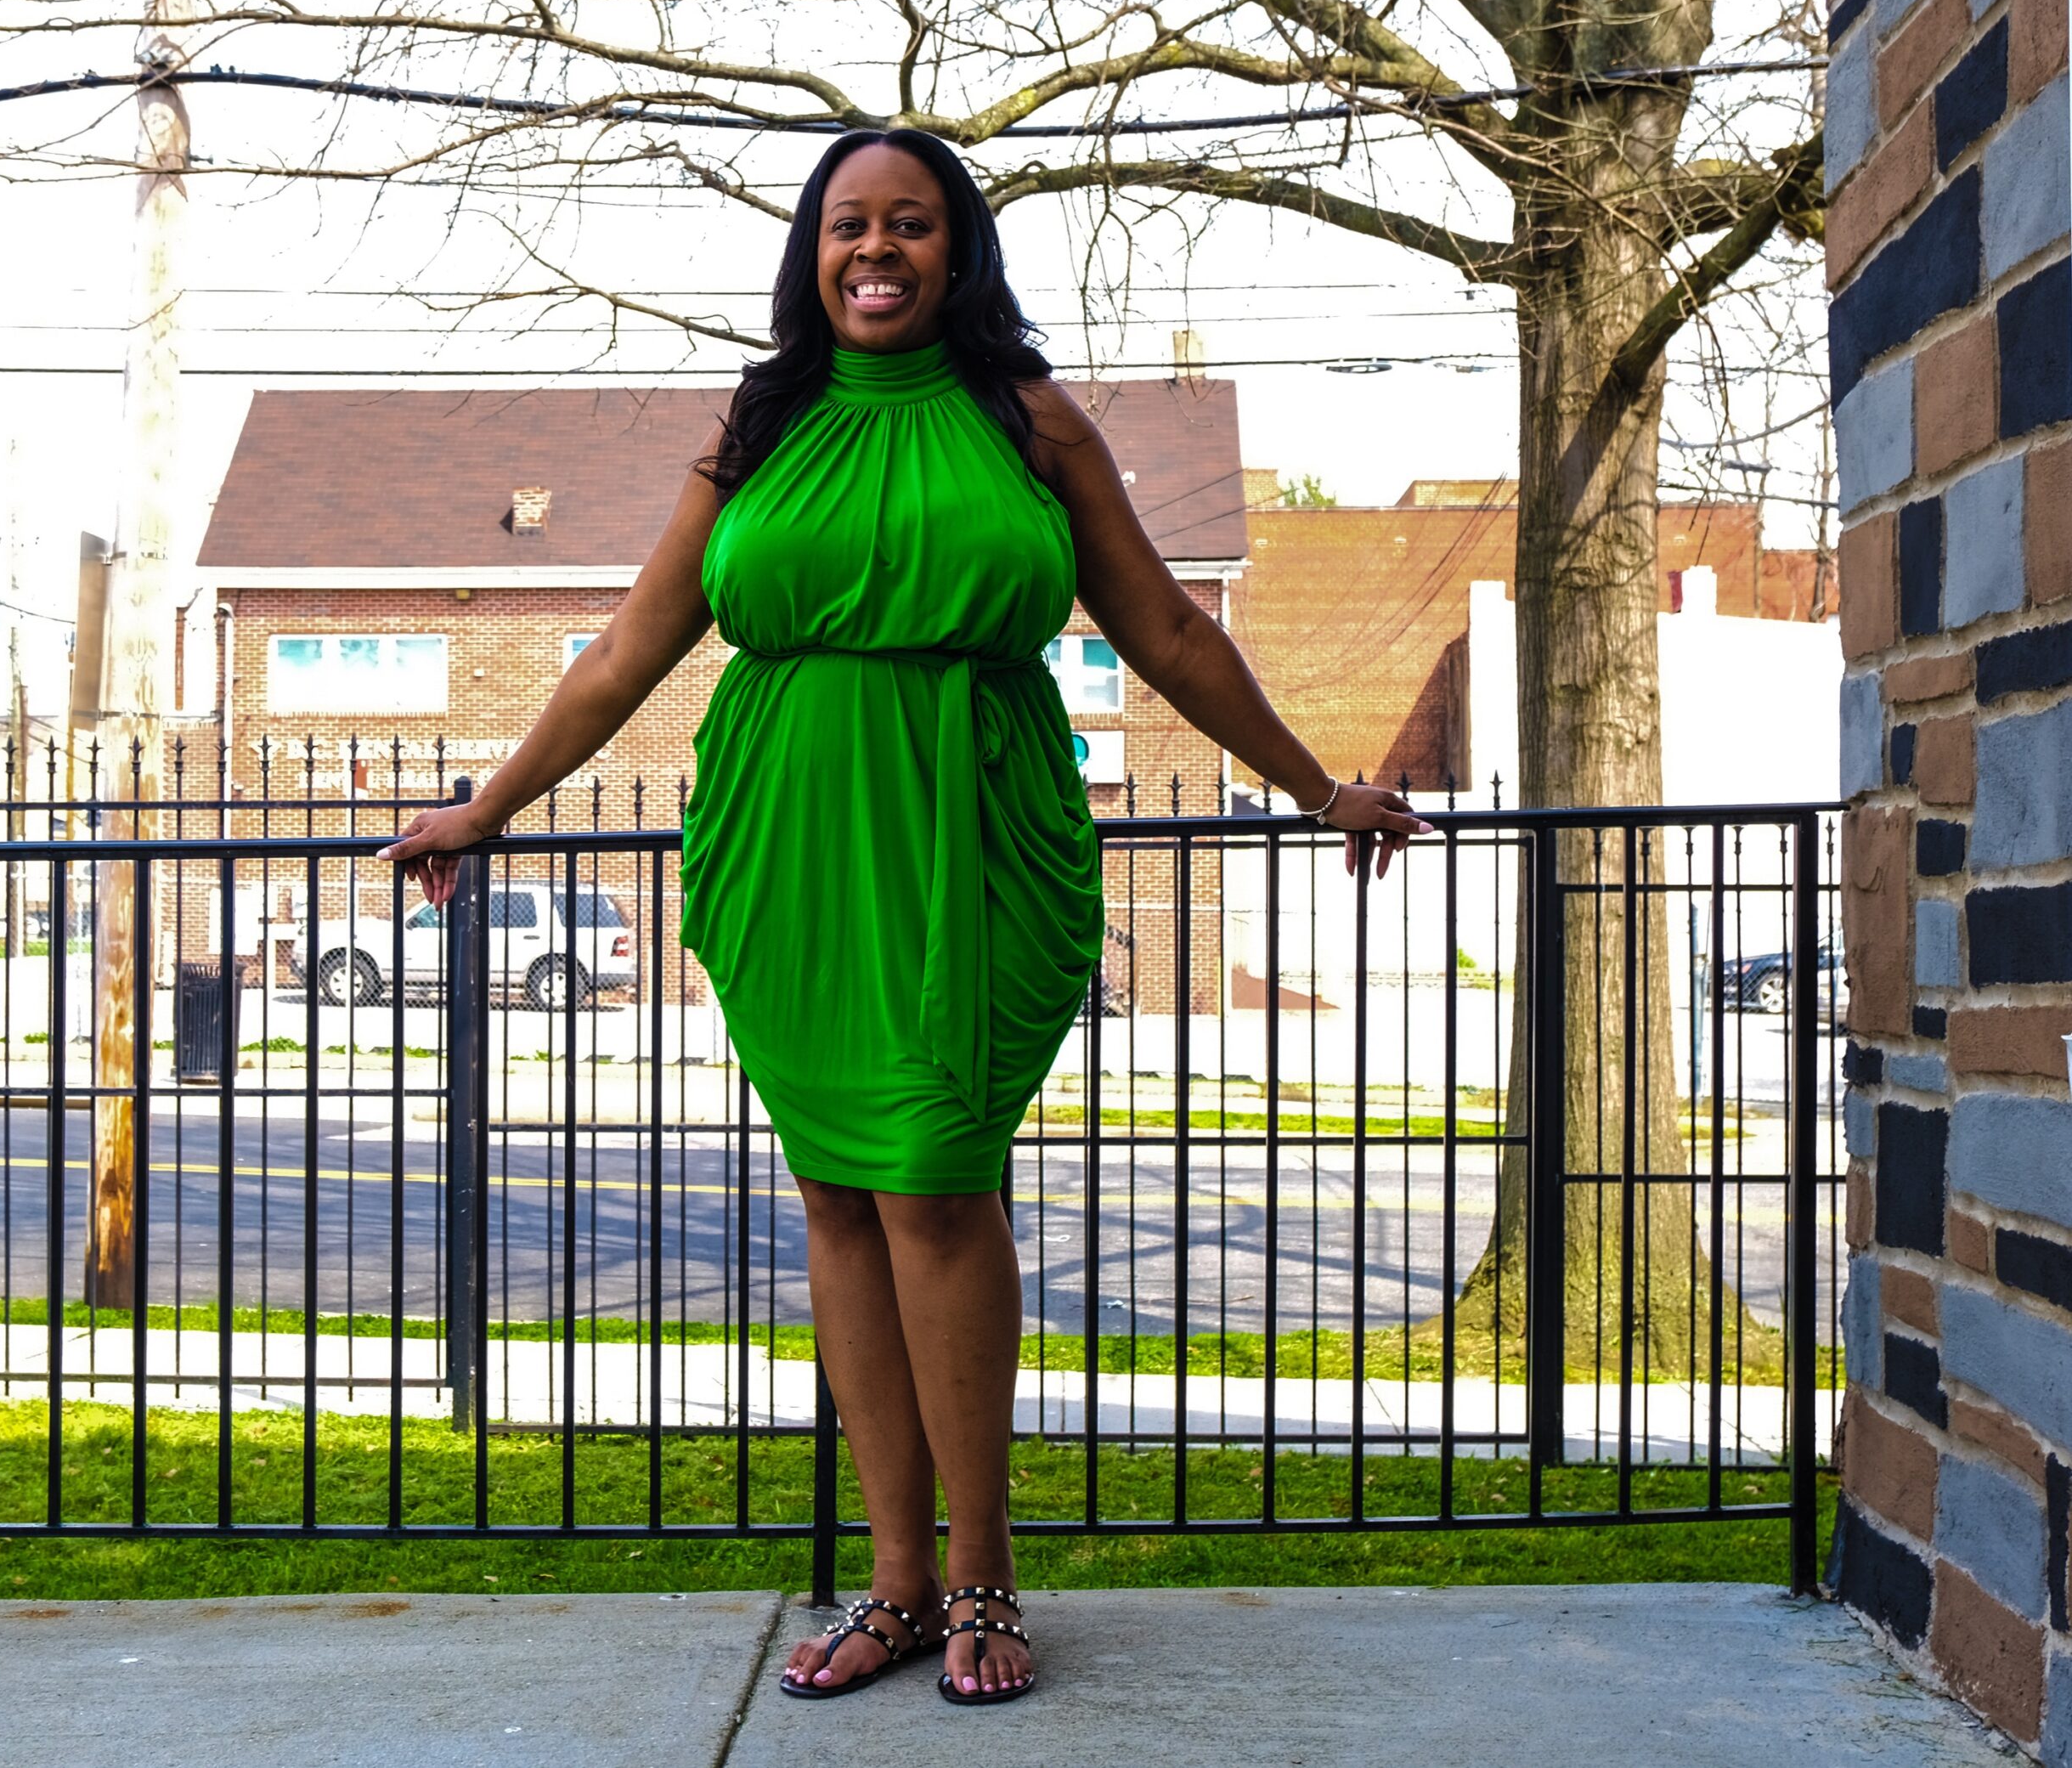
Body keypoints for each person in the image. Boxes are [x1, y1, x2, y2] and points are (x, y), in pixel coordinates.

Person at [379, 128, 1431, 1708]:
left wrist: (1314, 783)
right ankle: (895, 1583)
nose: (877, 249)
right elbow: (625, 651)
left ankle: (988, 1579)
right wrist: (488, 804)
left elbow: (1163, 633)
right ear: (815, 251)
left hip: (970, 827)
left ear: (958, 251)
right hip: (793, 833)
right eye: (848, 224)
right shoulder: (763, 420)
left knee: (937, 1184)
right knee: (840, 1200)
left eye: (912, 225)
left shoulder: (1031, 421)